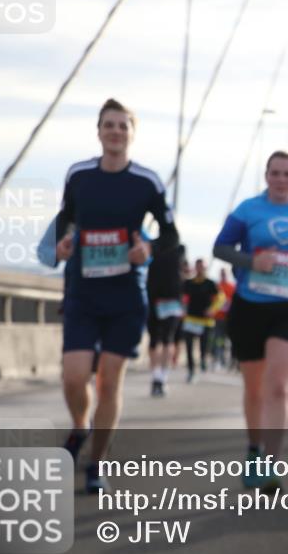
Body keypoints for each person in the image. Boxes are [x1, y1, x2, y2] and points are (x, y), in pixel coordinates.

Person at [54, 98, 178, 493]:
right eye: (109, 125)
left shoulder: (147, 181)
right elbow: (64, 219)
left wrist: (150, 249)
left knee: (109, 382)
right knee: (74, 378)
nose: (115, 131)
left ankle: (96, 464)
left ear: (132, 133)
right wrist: (60, 244)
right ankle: (80, 427)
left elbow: (171, 236)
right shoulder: (79, 174)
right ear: (98, 131)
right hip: (83, 292)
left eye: (123, 126)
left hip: (126, 296)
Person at [213, 150, 288, 491]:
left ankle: (271, 464)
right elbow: (221, 248)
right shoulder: (248, 210)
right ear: (266, 176)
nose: (281, 180)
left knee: (278, 386)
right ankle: (253, 449)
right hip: (250, 307)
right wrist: (251, 261)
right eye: (275, 173)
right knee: (254, 388)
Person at [146, 240, 186, 396]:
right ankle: (160, 377)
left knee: (156, 340)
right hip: (170, 300)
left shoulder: (152, 245)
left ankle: (157, 377)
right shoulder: (179, 249)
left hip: (157, 298)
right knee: (166, 340)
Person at [181, 258, 218, 382]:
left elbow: (221, 298)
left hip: (206, 321)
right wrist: (183, 308)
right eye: (198, 266)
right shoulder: (188, 283)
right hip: (191, 319)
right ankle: (191, 370)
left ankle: (203, 360)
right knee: (189, 346)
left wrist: (212, 309)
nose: (199, 269)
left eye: (202, 266)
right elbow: (182, 297)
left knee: (204, 346)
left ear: (205, 268)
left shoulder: (210, 283)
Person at [212, 268, 235, 370]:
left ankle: (228, 361)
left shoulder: (232, 287)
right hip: (218, 318)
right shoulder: (217, 286)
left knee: (228, 340)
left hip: (229, 319)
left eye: (224, 274)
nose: (223, 275)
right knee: (218, 339)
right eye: (221, 274)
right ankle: (218, 359)